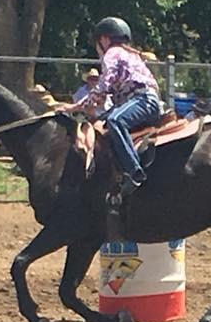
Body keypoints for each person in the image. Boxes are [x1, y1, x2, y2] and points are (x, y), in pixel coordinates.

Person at [55, 16, 162, 200]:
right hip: (143, 101)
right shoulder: (129, 54)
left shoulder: (112, 53)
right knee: (103, 122)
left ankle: (133, 172)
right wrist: (79, 105)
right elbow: (105, 90)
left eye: (98, 42)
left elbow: (105, 83)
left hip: (142, 100)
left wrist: (76, 107)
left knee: (115, 121)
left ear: (104, 39)